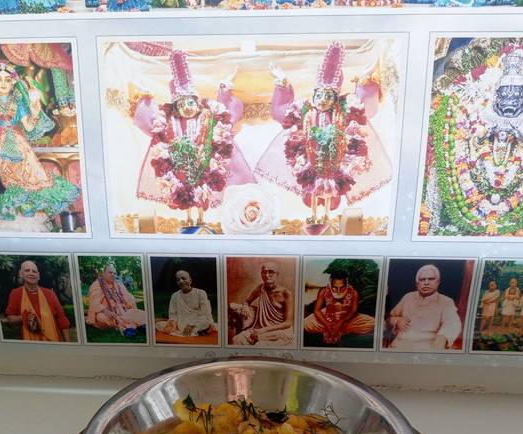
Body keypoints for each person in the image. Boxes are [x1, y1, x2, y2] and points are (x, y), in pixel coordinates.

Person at [255, 42, 392, 225]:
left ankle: (326, 217)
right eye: (319, 95)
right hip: (311, 160)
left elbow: (363, 108)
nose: (322, 100)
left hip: (334, 162)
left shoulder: (342, 111)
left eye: (328, 96)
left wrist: (364, 81)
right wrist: (283, 83)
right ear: (313, 96)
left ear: (335, 99)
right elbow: (283, 112)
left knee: (330, 191)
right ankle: (313, 216)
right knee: (312, 189)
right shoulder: (305, 111)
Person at [132, 50, 254, 227]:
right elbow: (150, 123)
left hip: (204, 163)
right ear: (176, 109)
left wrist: (224, 89)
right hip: (180, 166)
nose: (187, 108)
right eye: (182, 105)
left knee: (203, 192)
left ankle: (202, 219)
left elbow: (226, 117)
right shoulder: (170, 122)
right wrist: (146, 98)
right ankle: (189, 219)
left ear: (197, 104)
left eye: (190, 103)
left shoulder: (207, 117)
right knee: (184, 194)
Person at [0, 61, 79, 232]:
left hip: (19, 146)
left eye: (7, 80)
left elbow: (28, 126)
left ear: (13, 82)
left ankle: (26, 226)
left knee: (27, 182)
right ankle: (4, 224)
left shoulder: (19, 101)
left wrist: (34, 110)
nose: (3, 83)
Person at [386, 264, 462, 351]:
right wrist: (397, 321)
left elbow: (453, 324)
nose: (426, 283)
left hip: (427, 347)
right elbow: (390, 317)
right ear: (417, 284)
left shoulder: (446, 301)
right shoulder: (408, 297)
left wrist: (441, 339)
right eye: (422, 279)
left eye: (431, 279)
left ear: (438, 282)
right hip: (400, 345)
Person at [3, 260, 72, 342]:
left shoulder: (49, 294)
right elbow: (10, 318)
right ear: (21, 274)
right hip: (30, 344)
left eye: (34, 271)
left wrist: (69, 344)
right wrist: (25, 317)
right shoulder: (16, 293)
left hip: (53, 341)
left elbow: (62, 320)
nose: (31, 273)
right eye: (27, 270)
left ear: (38, 276)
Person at [229, 262, 294, 347]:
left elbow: (288, 323)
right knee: (236, 340)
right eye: (264, 272)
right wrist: (245, 307)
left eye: (271, 272)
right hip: (260, 328)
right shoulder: (260, 288)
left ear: (277, 274)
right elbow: (247, 301)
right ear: (261, 274)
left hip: (279, 331)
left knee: (260, 345)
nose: (267, 275)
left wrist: (263, 330)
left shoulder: (286, 293)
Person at [303, 271, 374, 345]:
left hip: (347, 316)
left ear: (346, 285)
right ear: (330, 284)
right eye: (335, 287)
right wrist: (327, 324)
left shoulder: (354, 292)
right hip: (327, 315)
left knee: (372, 322)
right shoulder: (323, 291)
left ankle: (340, 330)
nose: (338, 291)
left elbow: (353, 311)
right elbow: (317, 310)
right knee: (306, 323)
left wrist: (341, 322)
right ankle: (333, 330)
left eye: (342, 287)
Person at [85, 264, 146, 337]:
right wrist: (104, 310)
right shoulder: (96, 285)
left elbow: (128, 297)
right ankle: (129, 324)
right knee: (101, 318)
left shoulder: (119, 284)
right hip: (106, 312)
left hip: (123, 311)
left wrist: (129, 303)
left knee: (143, 314)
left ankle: (124, 323)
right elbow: (94, 302)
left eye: (114, 273)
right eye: (110, 272)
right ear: (103, 274)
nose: (113, 275)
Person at [155, 270, 215, 337]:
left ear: (190, 280)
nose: (181, 281)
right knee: (159, 325)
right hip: (180, 323)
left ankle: (191, 331)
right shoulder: (174, 296)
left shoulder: (201, 293)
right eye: (178, 280)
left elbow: (205, 314)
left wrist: (192, 324)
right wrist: (172, 323)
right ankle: (195, 332)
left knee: (206, 322)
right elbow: (172, 315)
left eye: (183, 278)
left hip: (197, 322)